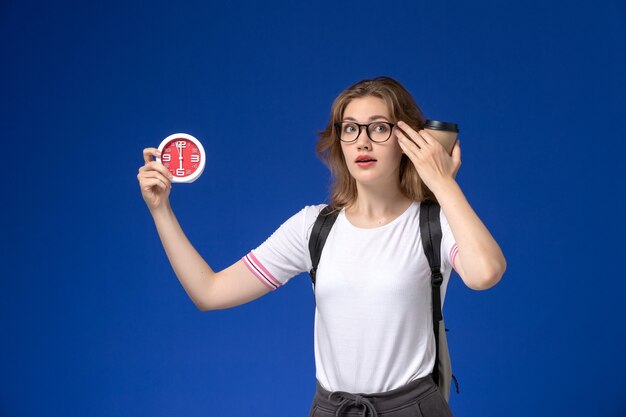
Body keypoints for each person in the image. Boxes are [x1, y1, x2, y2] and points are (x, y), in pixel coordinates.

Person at [137, 76, 506, 417]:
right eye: (350, 129)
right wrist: (160, 210)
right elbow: (210, 292)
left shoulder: (436, 222)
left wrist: (441, 182)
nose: (363, 141)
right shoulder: (314, 227)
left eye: (379, 127)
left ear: (408, 138)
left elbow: (485, 273)